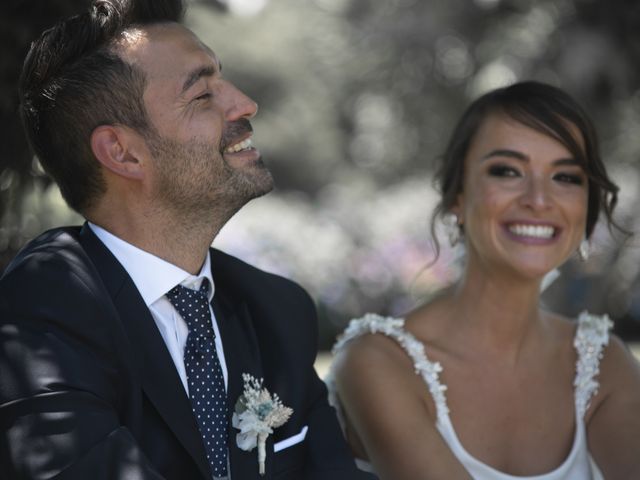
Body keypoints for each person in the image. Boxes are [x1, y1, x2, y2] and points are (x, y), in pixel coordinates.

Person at [0, 1, 374, 479]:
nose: (243, 104)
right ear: (123, 153)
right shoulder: (42, 309)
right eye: (202, 95)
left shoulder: (279, 313)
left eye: (224, 80)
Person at [328, 81, 640, 479]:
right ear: (457, 195)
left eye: (566, 177)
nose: (539, 199)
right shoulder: (378, 362)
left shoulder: (603, 364)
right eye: (507, 171)